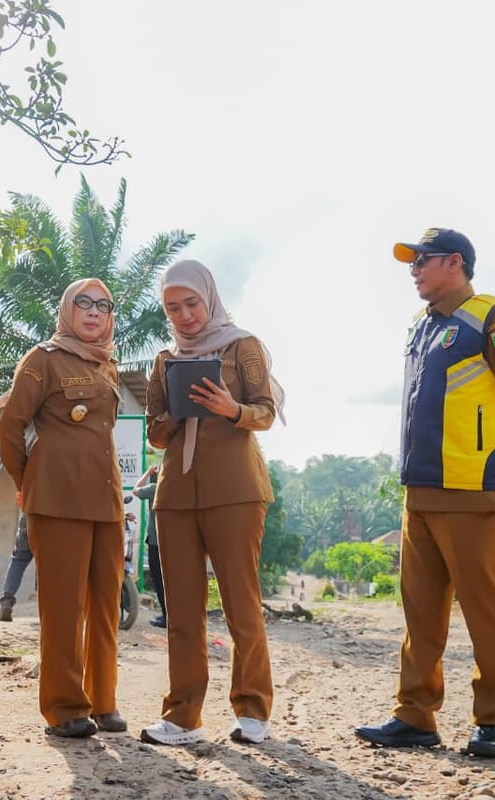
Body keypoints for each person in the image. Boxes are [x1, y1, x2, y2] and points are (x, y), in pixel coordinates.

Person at [356, 228, 495, 759]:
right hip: (421, 488)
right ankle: (415, 716)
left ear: (455, 263)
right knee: (421, 612)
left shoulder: (491, 318)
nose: (413, 270)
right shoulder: (422, 326)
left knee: (485, 608)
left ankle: (492, 722)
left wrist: (483, 455)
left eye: (422, 261)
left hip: (474, 487)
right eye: (410, 263)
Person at [139, 259, 284, 747]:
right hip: (176, 495)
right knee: (181, 612)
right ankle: (183, 717)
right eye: (172, 307)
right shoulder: (163, 360)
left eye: (191, 304)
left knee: (241, 605)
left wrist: (231, 409)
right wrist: (178, 414)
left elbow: (266, 410)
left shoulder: (243, 346)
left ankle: (253, 710)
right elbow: (155, 432)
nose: (184, 315)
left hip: (236, 492)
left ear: (209, 298)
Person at [0, 278, 126, 739]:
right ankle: (64, 706)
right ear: (67, 310)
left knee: (106, 604)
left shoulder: (108, 364)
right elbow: (11, 426)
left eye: (102, 305)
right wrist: (25, 482)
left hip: (106, 500)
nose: (93, 311)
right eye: (83, 303)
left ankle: (103, 699)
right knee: (64, 606)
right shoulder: (42, 359)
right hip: (57, 499)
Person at [132, 463, 167, 627]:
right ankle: (172, 615)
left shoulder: (154, 488)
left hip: (155, 541)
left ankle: (166, 617)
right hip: (172, 541)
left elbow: (136, 489)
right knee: (171, 581)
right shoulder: (172, 487)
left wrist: (147, 472)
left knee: (159, 581)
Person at [0, 512, 34, 621]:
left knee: (19, 559)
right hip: (51, 518)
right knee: (46, 561)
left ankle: (7, 601)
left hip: (28, 516)